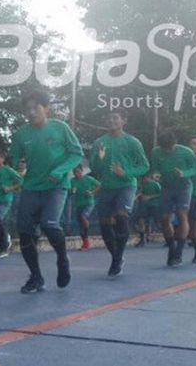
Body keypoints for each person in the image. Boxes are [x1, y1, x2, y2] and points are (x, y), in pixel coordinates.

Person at [9, 91, 82, 293]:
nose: (31, 112)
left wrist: (59, 171)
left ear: (46, 108)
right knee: (24, 232)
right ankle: (36, 277)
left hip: (56, 186)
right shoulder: (21, 134)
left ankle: (62, 258)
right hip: (32, 186)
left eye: (36, 108)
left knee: (49, 223)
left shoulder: (60, 128)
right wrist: (17, 163)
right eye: (27, 109)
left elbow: (77, 154)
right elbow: (14, 157)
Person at [90, 110, 149, 276]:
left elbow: (144, 166)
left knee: (122, 215)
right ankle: (116, 256)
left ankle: (117, 259)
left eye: (115, 118)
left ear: (124, 121)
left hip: (126, 185)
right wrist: (100, 158)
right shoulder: (99, 142)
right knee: (104, 223)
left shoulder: (132, 142)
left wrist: (126, 172)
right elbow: (94, 168)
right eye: (108, 118)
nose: (111, 121)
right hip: (106, 186)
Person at [150, 131, 196, 266]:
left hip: (184, 186)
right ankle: (171, 247)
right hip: (166, 187)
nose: (167, 151)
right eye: (165, 149)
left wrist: (184, 173)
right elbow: (154, 169)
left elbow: (195, 168)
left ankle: (179, 252)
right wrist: (156, 174)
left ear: (175, 144)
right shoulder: (156, 152)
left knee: (182, 214)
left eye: (170, 148)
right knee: (165, 218)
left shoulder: (186, 152)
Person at [0, 150, 22, 258]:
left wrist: (10, 188)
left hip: (5, 200)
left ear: (3, 159)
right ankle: (5, 240)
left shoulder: (8, 170)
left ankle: (4, 247)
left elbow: (21, 181)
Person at [70, 165, 101, 251]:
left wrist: (92, 192)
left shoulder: (88, 179)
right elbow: (69, 191)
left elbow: (100, 185)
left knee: (83, 217)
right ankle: (85, 244)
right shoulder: (72, 181)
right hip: (78, 204)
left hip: (89, 203)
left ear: (82, 171)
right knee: (80, 225)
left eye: (78, 172)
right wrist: (72, 191)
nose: (77, 174)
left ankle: (87, 233)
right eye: (75, 172)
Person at [133, 172, 161, 247]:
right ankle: (143, 239)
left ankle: (170, 238)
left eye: (145, 178)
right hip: (144, 206)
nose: (143, 180)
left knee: (158, 222)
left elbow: (161, 194)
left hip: (154, 205)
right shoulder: (142, 185)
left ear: (148, 177)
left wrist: (150, 197)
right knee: (142, 221)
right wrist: (137, 198)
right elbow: (141, 193)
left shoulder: (155, 184)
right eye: (142, 178)